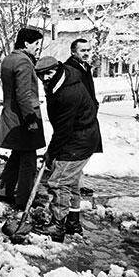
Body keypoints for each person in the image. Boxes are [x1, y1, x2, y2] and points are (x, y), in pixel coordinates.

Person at [30, 56, 101, 242]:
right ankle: (73, 222)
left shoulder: (68, 92)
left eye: (48, 73)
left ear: (58, 68)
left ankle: (57, 225)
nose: (45, 78)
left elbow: (63, 130)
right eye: (40, 75)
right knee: (71, 181)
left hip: (78, 140)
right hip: (80, 136)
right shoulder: (61, 80)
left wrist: (51, 153)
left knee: (59, 182)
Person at [0, 28, 46, 209]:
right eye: (36, 44)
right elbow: (23, 95)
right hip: (24, 118)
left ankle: (2, 190)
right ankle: (24, 200)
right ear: (26, 44)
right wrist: (31, 120)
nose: (38, 48)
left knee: (17, 156)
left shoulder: (9, 59)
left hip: (12, 115)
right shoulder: (24, 62)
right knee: (29, 161)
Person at [65, 38, 103, 154]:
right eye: (82, 50)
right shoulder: (69, 69)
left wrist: (94, 105)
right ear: (73, 52)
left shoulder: (85, 67)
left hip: (88, 116)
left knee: (85, 150)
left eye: (88, 50)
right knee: (76, 151)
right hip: (78, 119)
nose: (86, 53)